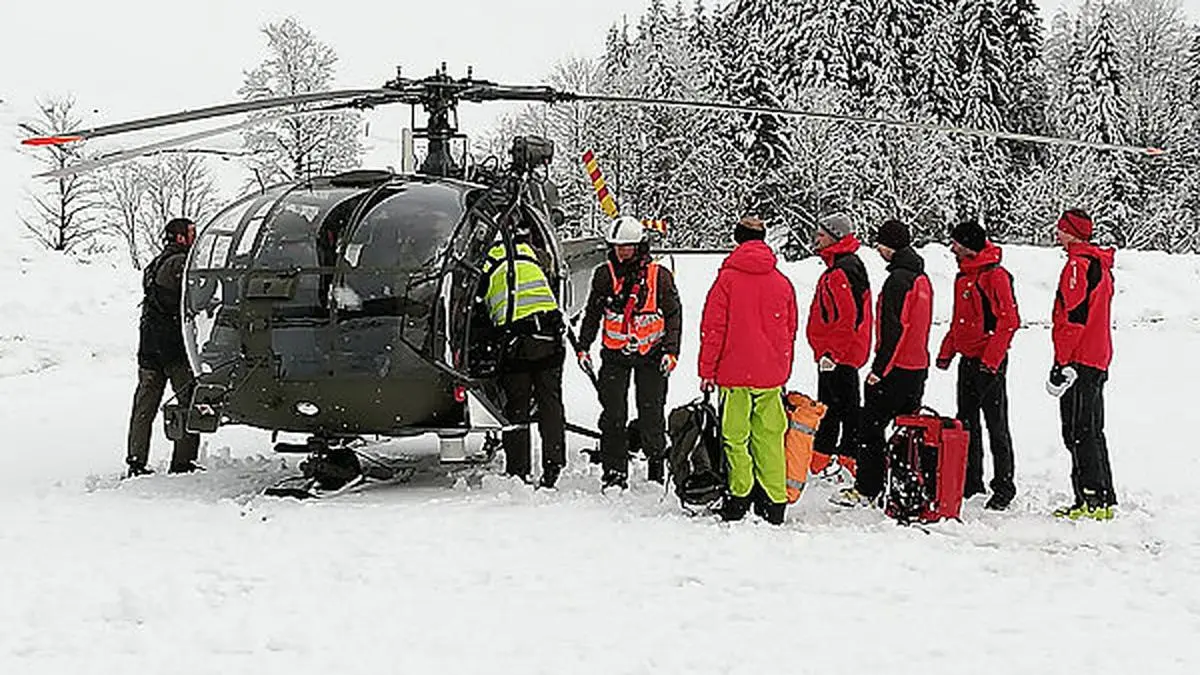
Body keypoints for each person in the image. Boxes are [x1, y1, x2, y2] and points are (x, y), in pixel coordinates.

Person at [698, 216, 798, 524]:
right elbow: (790, 329)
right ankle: (774, 500)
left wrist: (707, 370)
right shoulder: (781, 281)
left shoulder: (727, 280)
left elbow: (713, 329)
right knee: (769, 437)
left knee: (735, 437)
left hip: (733, 373)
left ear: (737, 240)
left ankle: (740, 495)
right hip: (770, 375)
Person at [577, 215, 682, 491]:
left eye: (628, 246)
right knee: (613, 414)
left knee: (652, 413)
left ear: (640, 246)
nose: (622, 252)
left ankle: (656, 466)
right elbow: (593, 312)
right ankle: (614, 472)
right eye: (618, 246)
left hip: (652, 355)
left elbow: (673, 315)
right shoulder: (604, 275)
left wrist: (671, 352)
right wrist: (583, 346)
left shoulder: (659, 276)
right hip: (615, 355)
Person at [833, 219, 932, 507]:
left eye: (880, 243)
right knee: (905, 431)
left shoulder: (897, 281)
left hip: (896, 368)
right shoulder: (920, 278)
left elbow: (894, 329)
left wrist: (879, 370)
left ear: (890, 246)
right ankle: (902, 483)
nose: (877, 248)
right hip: (917, 366)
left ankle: (868, 487)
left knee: (870, 427)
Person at [936, 220, 1020, 510]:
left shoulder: (994, 276)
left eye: (956, 244)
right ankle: (972, 481)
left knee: (996, 425)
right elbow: (959, 320)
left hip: (989, 364)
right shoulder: (964, 277)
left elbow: (1009, 321)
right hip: (968, 361)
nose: (952, 249)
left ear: (968, 245)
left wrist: (991, 360)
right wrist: (947, 351)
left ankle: (1004, 486)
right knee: (966, 422)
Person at [481, 226, 567, 488]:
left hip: (516, 341)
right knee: (550, 401)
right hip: (549, 335)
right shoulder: (532, 253)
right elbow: (552, 271)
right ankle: (554, 463)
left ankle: (518, 469)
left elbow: (474, 301)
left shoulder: (485, 263)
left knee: (516, 405)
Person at [1047, 209, 1116, 521]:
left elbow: (1072, 318)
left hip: (1080, 357)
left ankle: (1090, 497)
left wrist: (1062, 362)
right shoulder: (1100, 264)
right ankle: (1102, 495)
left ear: (1073, 232)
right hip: (1096, 354)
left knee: (1077, 429)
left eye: (1062, 229)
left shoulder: (1078, 265)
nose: (1057, 234)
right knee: (1092, 428)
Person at [126, 217, 201, 477]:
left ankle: (136, 460)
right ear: (180, 238)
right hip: (173, 348)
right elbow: (200, 293)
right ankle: (183, 462)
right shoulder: (180, 264)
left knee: (144, 405)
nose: (195, 237)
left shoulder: (153, 264)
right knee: (189, 403)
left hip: (148, 346)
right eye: (192, 233)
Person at [806, 211, 871, 479]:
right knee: (838, 406)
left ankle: (836, 459)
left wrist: (832, 353)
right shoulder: (842, 267)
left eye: (821, 235)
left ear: (835, 237)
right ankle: (834, 457)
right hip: (838, 352)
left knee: (837, 407)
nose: (816, 239)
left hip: (838, 354)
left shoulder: (841, 271)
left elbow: (848, 317)